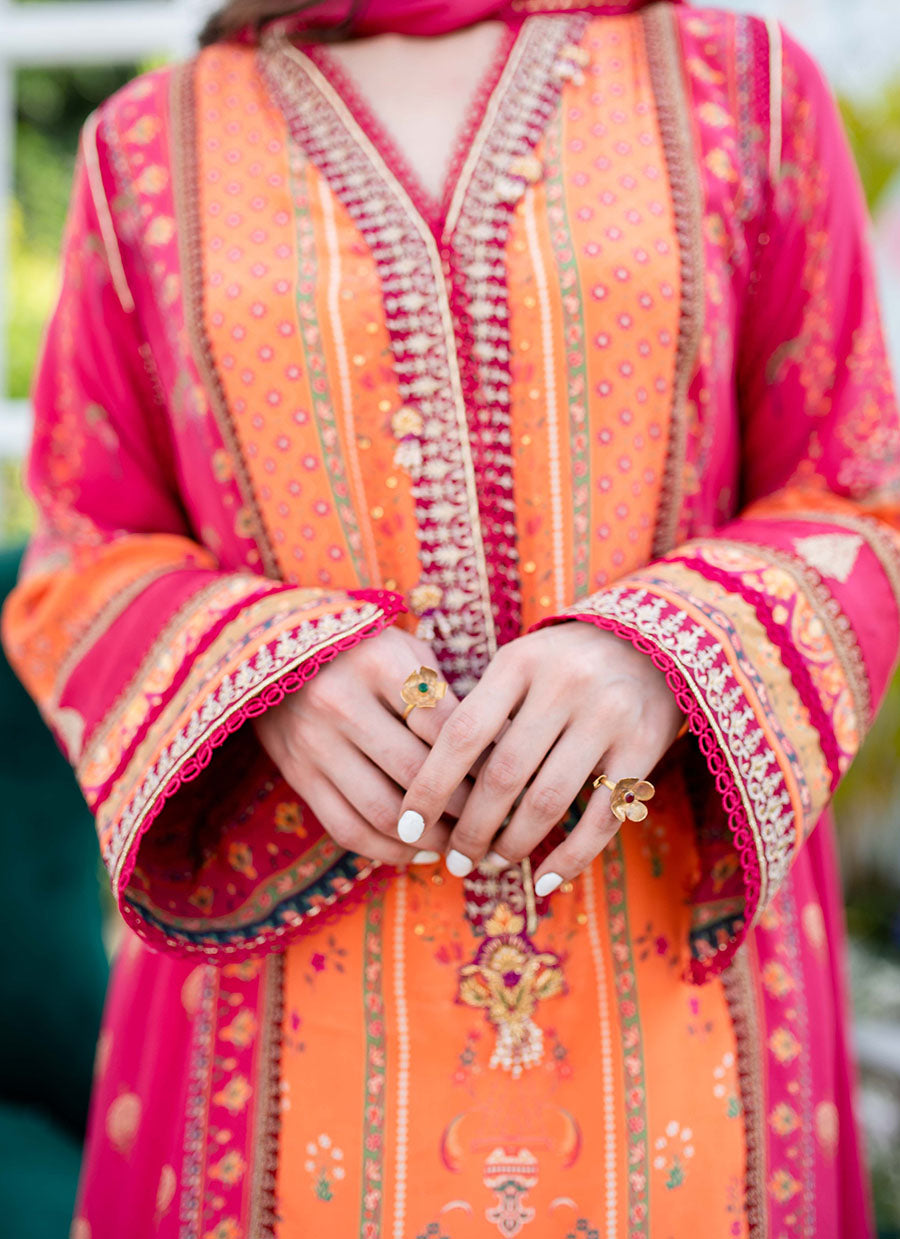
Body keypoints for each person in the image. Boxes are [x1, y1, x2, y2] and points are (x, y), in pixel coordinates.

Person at [2, 0, 899, 1234]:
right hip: (275, 1038)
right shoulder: (145, 152)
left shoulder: (743, 89)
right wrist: (268, 673)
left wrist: (659, 658)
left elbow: (856, 495)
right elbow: (79, 553)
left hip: (681, 1028)